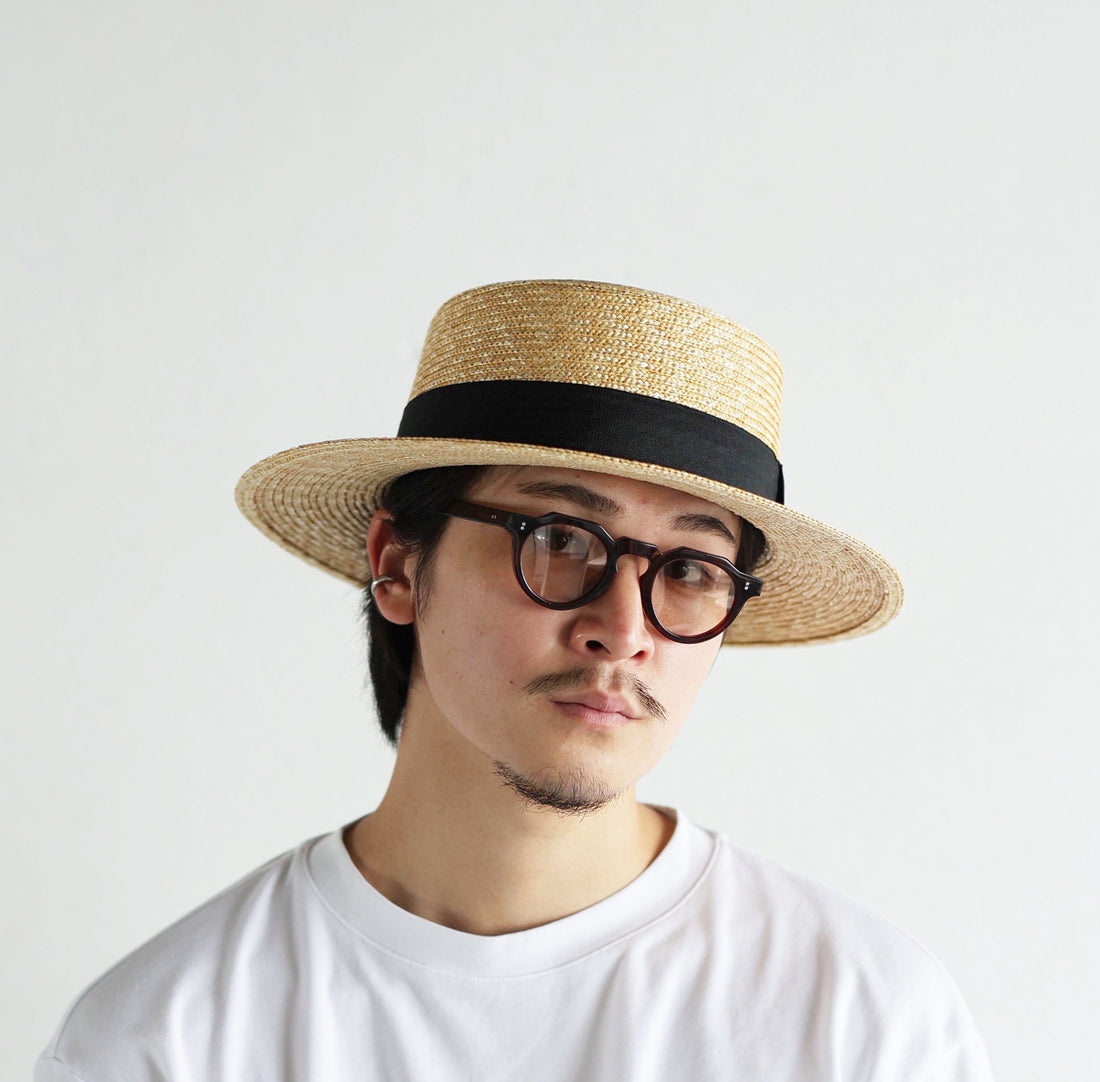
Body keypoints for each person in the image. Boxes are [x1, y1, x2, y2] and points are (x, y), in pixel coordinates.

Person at [36, 280, 994, 1081]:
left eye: (690, 569)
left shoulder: (862, 1024)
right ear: (398, 564)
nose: (623, 630)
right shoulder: (167, 1040)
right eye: (562, 540)